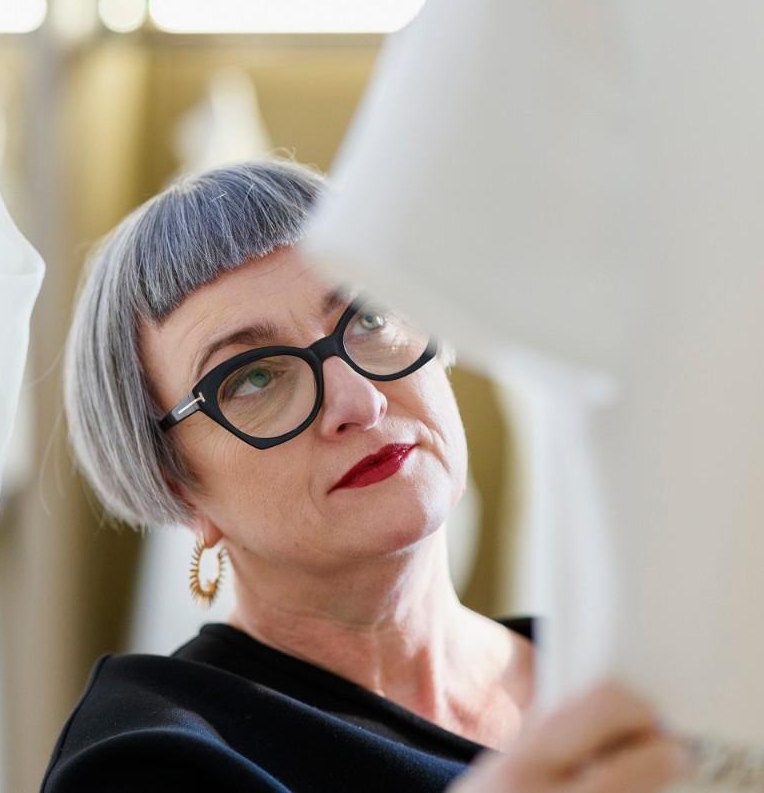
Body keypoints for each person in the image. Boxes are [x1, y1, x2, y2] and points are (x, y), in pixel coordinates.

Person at [43, 159, 691, 792]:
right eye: (256, 378)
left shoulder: (635, 678)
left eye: (372, 317)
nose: (359, 402)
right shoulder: (147, 761)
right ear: (179, 487)